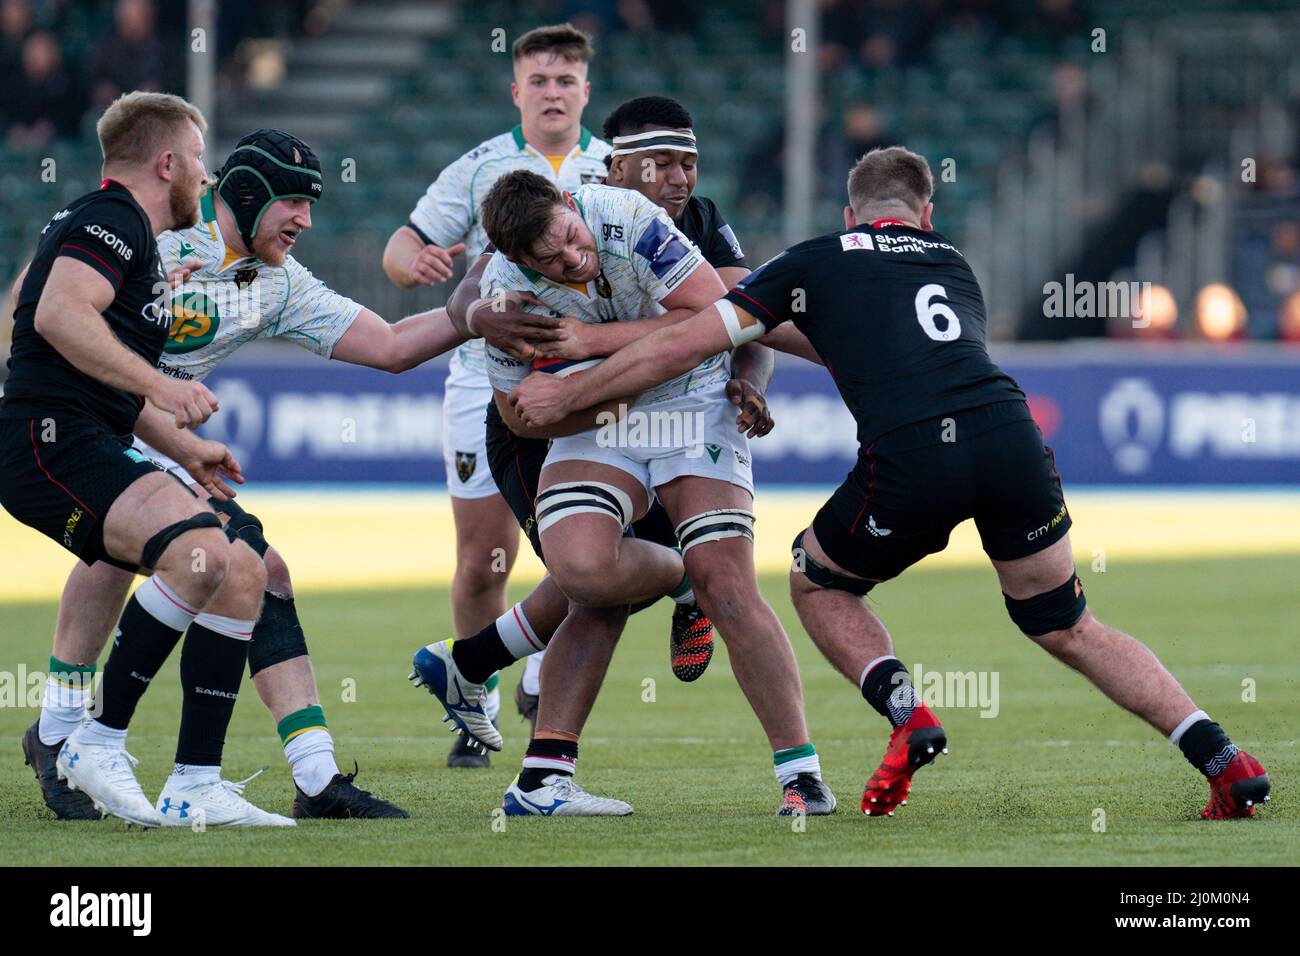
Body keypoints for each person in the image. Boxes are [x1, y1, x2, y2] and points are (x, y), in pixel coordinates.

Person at [508, 145, 1273, 822]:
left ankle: (907, 715)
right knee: (1068, 623)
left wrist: (573, 386)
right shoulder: (952, 261)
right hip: (1011, 436)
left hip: (915, 453)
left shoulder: (813, 260)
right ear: (924, 210)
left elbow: (683, 342)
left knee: (818, 582)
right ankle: (1224, 759)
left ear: (849, 212)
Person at [20, 127, 467, 823]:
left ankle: (303, 773)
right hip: (90, 427)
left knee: (254, 571)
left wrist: (472, 315)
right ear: (249, 193)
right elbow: (48, 303)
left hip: (152, 437)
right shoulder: (153, 233)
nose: (306, 220)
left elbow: (389, 345)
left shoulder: (280, 285)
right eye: (293, 201)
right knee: (198, 560)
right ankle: (82, 738)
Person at [429, 170, 831, 817]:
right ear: (514, 262)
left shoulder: (625, 216)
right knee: (585, 574)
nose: (570, 257)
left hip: (691, 398)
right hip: (598, 416)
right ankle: (544, 782)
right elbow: (516, 415)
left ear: (569, 203)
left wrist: (586, 352)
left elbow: (714, 316)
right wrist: (586, 399)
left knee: (727, 585)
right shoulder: (509, 298)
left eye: (567, 235)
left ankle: (802, 773)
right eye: (548, 259)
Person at [412, 95, 773, 739]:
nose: (679, 179)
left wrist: (743, 379)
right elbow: (474, 291)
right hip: (539, 419)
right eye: (660, 163)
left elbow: (740, 317)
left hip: (631, 407)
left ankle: (484, 680)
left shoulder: (700, 220)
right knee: (589, 576)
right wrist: (481, 316)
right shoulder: (564, 208)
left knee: (612, 573)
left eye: (688, 163)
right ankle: (523, 711)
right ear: (614, 169)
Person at [0, 91, 271, 827]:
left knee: (220, 561)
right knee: (200, 556)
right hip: (46, 440)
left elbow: (106, 382)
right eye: (200, 161)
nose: (206, 179)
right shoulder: (109, 219)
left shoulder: (129, 238)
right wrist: (162, 384)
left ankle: (79, 740)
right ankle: (93, 741)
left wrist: (187, 449)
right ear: (167, 162)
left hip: (83, 435)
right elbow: (57, 315)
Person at [382, 23, 611, 767]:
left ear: (585, 90)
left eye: (565, 80)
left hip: (582, 380)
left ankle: (542, 673)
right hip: (484, 377)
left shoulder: (612, 168)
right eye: (538, 81)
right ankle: (472, 707)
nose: (552, 92)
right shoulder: (480, 167)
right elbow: (399, 248)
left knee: (580, 540)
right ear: (516, 91)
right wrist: (412, 260)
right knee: (487, 555)